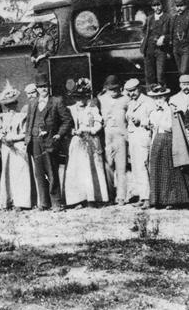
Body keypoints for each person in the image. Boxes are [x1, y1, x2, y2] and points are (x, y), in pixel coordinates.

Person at [24, 72, 73, 210]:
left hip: (50, 141)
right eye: (40, 87)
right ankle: (44, 202)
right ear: (37, 89)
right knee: (39, 173)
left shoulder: (57, 101)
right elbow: (29, 122)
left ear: (48, 87)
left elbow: (67, 120)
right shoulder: (32, 103)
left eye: (45, 86)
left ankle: (56, 202)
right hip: (34, 141)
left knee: (52, 172)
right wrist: (28, 137)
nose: (43, 89)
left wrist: (59, 134)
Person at [146, 85, 189, 209]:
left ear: (166, 97)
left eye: (161, 98)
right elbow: (152, 127)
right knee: (157, 169)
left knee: (170, 171)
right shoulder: (153, 112)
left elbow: (171, 127)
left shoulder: (171, 110)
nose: (158, 101)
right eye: (156, 98)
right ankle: (158, 200)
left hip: (168, 140)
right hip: (157, 140)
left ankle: (173, 200)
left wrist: (158, 121)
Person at [64, 78, 108, 207]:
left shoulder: (92, 108)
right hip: (77, 142)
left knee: (92, 168)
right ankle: (78, 199)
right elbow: (65, 124)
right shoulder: (70, 109)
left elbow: (99, 123)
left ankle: (93, 197)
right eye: (77, 98)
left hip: (91, 141)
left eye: (82, 97)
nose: (80, 101)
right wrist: (71, 131)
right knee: (78, 170)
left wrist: (91, 130)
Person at [0, 84, 31, 210]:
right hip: (7, 147)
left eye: (13, 104)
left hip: (19, 145)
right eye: (8, 105)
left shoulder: (22, 116)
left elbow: (24, 133)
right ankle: (8, 200)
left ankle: (21, 202)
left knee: (20, 171)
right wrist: (3, 138)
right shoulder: (1, 117)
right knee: (8, 172)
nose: (11, 108)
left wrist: (13, 138)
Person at [97, 75, 130, 205]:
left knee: (121, 167)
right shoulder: (101, 99)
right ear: (106, 89)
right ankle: (109, 194)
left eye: (116, 88)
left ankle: (121, 196)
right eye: (111, 89)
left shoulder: (126, 99)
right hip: (106, 135)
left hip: (120, 136)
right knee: (108, 165)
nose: (113, 91)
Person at [124, 78, 156, 205]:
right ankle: (142, 196)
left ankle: (148, 198)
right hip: (133, 138)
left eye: (133, 91)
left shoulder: (148, 101)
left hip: (143, 136)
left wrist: (141, 121)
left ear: (139, 88)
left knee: (143, 166)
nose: (132, 94)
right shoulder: (131, 103)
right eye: (129, 92)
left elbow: (153, 119)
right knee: (136, 168)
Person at [140, 0, 171, 87]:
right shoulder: (149, 18)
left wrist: (164, 37)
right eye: (154, 6)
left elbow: (171, 33)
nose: (157, 8)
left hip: (161, 49)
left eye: (158, 5)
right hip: (149, 48)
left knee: (160, 74)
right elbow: (143, 30)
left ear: (162, 6)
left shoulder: (168, 17)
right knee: (149, 74)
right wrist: (143, 37)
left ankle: (162, 91)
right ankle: (151, 92)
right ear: (152, 7)